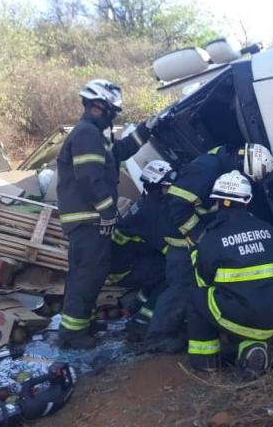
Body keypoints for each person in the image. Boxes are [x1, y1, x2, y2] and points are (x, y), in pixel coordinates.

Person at [144, 143, 273, 353]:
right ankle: (158, 337)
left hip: (194, 236)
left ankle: (179, 329)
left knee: (196, 287)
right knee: (183, 286)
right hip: (181, 238)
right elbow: (177, 204)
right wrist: (198, 237)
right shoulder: (207, 168)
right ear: (243, 165)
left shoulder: (222, 166)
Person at [56, 79, 158, 349]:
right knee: (86, 275)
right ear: (101, 107)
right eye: (113, 112)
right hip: (88, 220)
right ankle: (72, 334)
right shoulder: (87, 134)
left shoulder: (93, 135)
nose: (114, 117)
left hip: (88, 219)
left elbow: (119, 153)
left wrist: (145, 131)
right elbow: (89, 179)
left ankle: (81, 325)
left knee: (90, 273)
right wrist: (108, 212)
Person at [185, 171, 273, 379]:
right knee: (243, 299)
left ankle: (205, 361)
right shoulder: (268, 229)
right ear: (247, 200)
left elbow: (203, 279)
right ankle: (251, 346)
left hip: (241, 317)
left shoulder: (213, 237)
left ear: (217, 201)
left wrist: (195, 253)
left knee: (196, 296)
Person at [106, 160, 172, 340]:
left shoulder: (145, 202)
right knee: (173, 273)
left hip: (123, 262)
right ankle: (142, 322)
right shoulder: (152, 211)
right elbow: (166, 247)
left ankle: (134, 307)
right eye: (167, 186)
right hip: (123, 270)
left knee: (158, 267)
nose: (171, 190)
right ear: (159, 186)